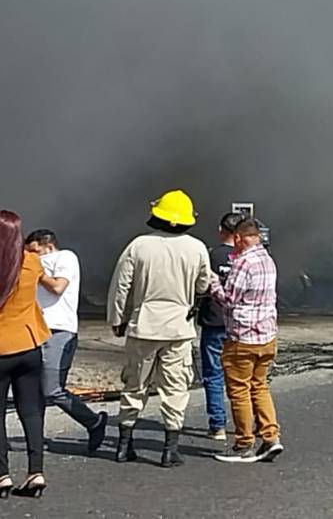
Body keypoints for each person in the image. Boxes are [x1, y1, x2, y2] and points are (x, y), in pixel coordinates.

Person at [107, 190, 211, 468]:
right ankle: (169, 450)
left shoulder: (138, 245)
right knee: (175, 388)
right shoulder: (197, 248)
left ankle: (123, 446)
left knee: (134, 385)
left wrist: (117, 319)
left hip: (143, 327)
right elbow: (203, 285)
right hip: (179, 329)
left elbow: (121, 287)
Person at [24, 230, 107, 454]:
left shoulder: (65, 258)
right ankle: (35, 440)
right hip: (35, 329)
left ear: (48, 246)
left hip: (59, 330)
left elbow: (58, 287)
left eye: (35, 251)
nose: (32, 256)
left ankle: (93, 421)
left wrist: (36, 270)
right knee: (34, 391)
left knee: (52, 389)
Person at [209, 218, 284, 463]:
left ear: (239, 238)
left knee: (239, 390)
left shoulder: (243, 263)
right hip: (267, 336)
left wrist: (212, 283)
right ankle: (271, 437)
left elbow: (229, 299)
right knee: (259, 386)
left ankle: (244, 444)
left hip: (242, 337)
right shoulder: (268, 260)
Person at [0, 211, 51, 497]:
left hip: (1, 349)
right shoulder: (31, 262)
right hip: (29, 345)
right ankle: (36, 472)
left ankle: (2, 475)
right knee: (31, 411)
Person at [196, 212, 244, 442]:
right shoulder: (247, 256)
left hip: (214, 320)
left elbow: (201, 285)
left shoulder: (211, 255)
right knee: (242, 376)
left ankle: (218, 426)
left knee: (213, 374)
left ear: (220, 230)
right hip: (241, 322)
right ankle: (246, 425)